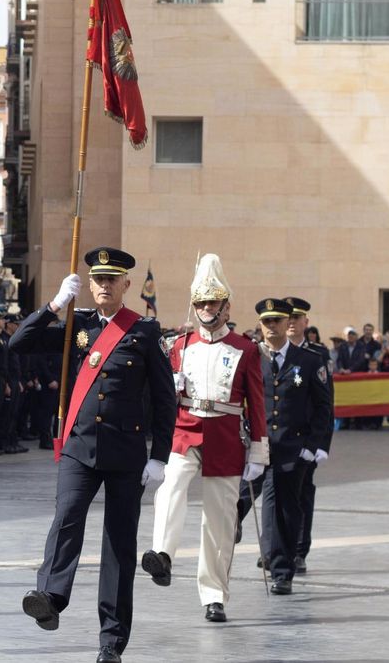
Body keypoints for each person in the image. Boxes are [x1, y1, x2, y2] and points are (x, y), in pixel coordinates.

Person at [11, 248, 175, 663]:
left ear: (125, 285)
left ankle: (111, 642)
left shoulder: (144, 331)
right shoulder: (76, 325)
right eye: (97, 278)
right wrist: (54, 305)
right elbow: (19, 343)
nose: (103, 285)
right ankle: (50, 596)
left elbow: (164, 397)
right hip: (79, 446)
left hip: (127, 452)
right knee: (66, 518)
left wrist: (161, 455)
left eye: (111, 279)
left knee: (119, 546)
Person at [141, 254, 267, 624]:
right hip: (185, 427)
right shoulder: (178, 346)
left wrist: (258, 450)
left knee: (219, 520)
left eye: (213, 302)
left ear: (226, 306)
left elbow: (256, 404)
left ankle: (214, 594)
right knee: (170, 487)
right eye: (200, 302)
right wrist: (170, 384)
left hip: (226, 434)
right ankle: (162, 555)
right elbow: (158, 396)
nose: (206, 308)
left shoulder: (245, 349)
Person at [236, 299, 333, 595]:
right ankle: (234, 532)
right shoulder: (251, 357)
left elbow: (323, 406)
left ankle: (282, 570)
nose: (272, 327)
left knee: (283, 510)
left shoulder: (308, 360)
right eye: (266, 322)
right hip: (257, 446)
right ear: (260, 325)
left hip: (292, 448)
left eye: (277, 321)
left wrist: (314, 446)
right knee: (237, 497)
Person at [284, 297, 334, 570]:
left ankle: (298, 550)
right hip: (279, 439)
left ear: (306, 322)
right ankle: (276, 548)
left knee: (302, 495)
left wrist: (321, 444)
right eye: (287, 317)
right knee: (276, 495)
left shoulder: (318, 355)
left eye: (296, 317)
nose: (291, 322)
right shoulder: (269, 352)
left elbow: (326, 403)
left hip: (305, 440)